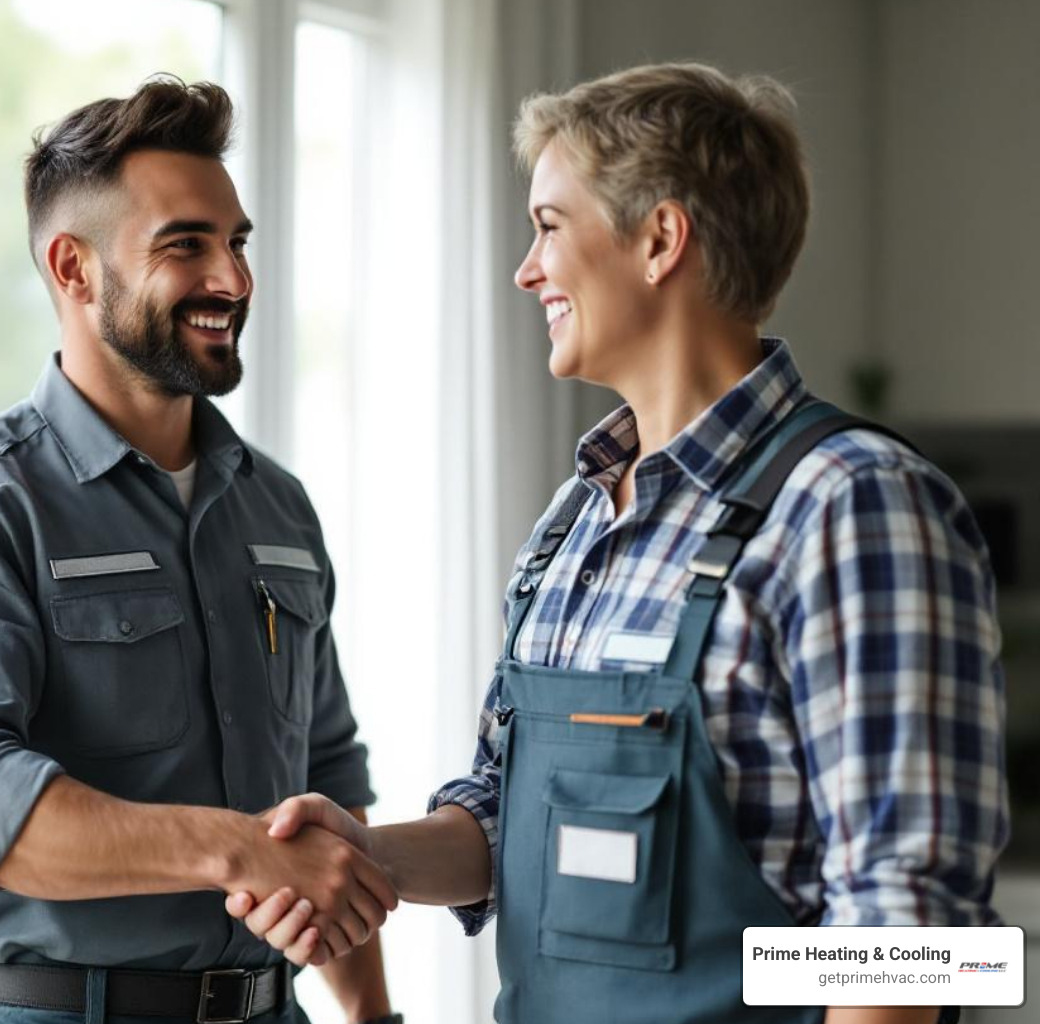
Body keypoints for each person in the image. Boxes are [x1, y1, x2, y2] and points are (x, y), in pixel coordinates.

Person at [226, 62, 1008, 1024]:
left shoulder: (854, 504)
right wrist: (363, 857)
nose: (526, 268)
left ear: (659, 239)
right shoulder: (575, 521)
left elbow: (917, 936)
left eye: (549, 225)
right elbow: (504, 813)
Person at [0, 77, 400, 1024]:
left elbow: (328, 790)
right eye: (186, 244)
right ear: (73, 268)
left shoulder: (278, 507)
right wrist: (239, 848)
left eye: (236, 243)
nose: (231, 279)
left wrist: (373, 1017)